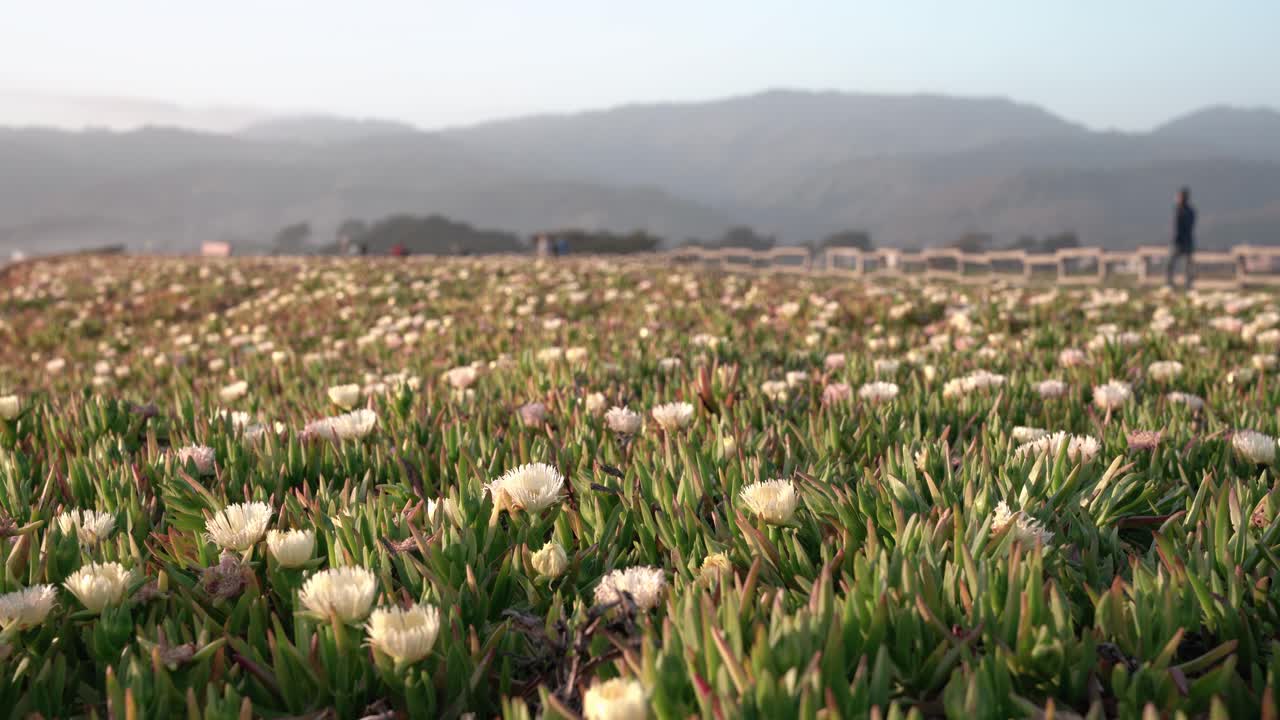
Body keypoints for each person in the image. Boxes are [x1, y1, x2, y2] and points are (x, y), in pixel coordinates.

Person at [1167, 187, 1196, 289]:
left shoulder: (1186, 211)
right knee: (1172, 264)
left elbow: (1184, 227)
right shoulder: (1181, 210)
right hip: (1182, 241)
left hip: (1183, 242)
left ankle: (1186, 286)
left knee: (1186, 266)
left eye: (1179, 197)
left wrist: (1178, 239)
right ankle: (1171, 284)